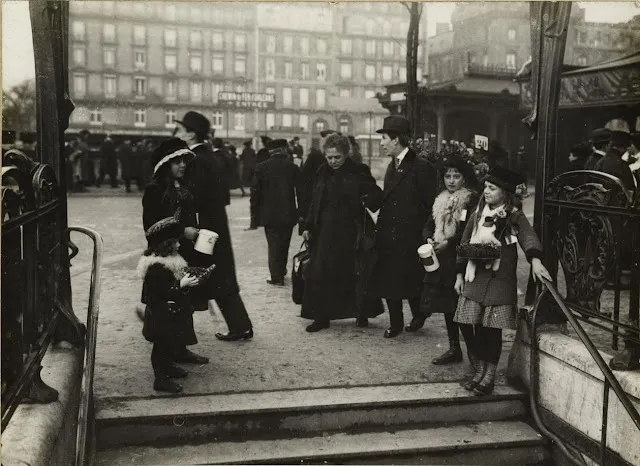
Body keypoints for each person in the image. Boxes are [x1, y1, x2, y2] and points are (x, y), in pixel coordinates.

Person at [454, 165, 551, 395]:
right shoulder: (478, 213)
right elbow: (465, 240)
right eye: (485, 187)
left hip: (500, 279)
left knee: (491, 330)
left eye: (492, 188)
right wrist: (459, 273)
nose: (486, 191)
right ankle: (478, 365)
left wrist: (535, 259)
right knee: (466, 322)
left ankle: (488, 374)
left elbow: (528, 237)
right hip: (474, 276)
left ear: (504, 192)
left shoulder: (513, 215)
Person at [176, 111, 254, 341]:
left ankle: (167, 326)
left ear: (191, 133)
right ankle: (241, 326)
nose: (179, 133)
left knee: (189, 275)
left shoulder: (195, 159)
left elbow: (194, 196)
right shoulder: (210, 155)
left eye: (181, 130)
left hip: (203, 229)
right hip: (214, 225)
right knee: (220, 277)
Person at [301, 133, 384, 331]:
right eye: (329, 157)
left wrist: (367, 199)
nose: (333, 161)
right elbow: (315, 202)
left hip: (351, 231)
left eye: (337, 157)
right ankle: (321, 317)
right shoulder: (322, 171)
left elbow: (376, 195)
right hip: (326, 231)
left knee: (356, 273)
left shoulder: (358, 171)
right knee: (321, 272)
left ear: (346, 154)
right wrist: (307, 226)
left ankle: (361, 312)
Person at [368, 115, 439, 338]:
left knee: (410, 279)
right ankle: (396, 323)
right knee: (390, 279)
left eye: (384, 139)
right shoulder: (392, 166)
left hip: (410, 236)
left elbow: (430, 204)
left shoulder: (421, 166)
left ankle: (419, 314)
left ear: (396, 140)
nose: (381, 143)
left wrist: (424, 233)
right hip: (389, 234)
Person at [141, 137, 209, 368]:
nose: (182, 165)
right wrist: (182, 231)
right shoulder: (155, 190)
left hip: (186, 253)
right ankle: (164, 364)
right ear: (165, 164)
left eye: (184, 160)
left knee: (184, 304)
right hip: (166, 257)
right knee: (167, 307)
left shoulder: (184, 186)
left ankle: (180, 350)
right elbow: (150, 229)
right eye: (176, 161)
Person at [421, 154, 479, 365]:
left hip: (459, 256)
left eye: (456, 176)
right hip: (442, 259)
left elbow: (467, 230)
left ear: (464, 178)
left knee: (461, 306)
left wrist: (449, 242)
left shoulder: (470, 198)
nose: (451, 180)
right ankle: (454, 348)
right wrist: (429, 237)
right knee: (447, 306)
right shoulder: (441, 198)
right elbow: (429, 223)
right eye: (448, 176)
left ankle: (474, 352)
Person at [137, 215, 203, 393]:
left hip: (169, 314)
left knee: (169, 343)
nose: (179, 245)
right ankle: (161, 378)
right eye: (175, 242)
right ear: (166, 245)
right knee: (161, 347)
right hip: (161, 316)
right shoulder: (157, 267)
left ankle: (168, 369)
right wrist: (181, 285)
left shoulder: (169, 263)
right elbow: (162, 293)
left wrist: (185, 286)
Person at [250, 139, 301, 286]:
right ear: (284, 150)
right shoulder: (292, 167)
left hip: (269, 214)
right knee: (284, 244)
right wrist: (300, 213)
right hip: (288, 213)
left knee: (273, 245)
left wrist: (254, 218)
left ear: (271, 151)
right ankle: (281, 270)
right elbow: (301, 193)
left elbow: (255, 194)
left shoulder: (261, 167)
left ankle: (276, 276)